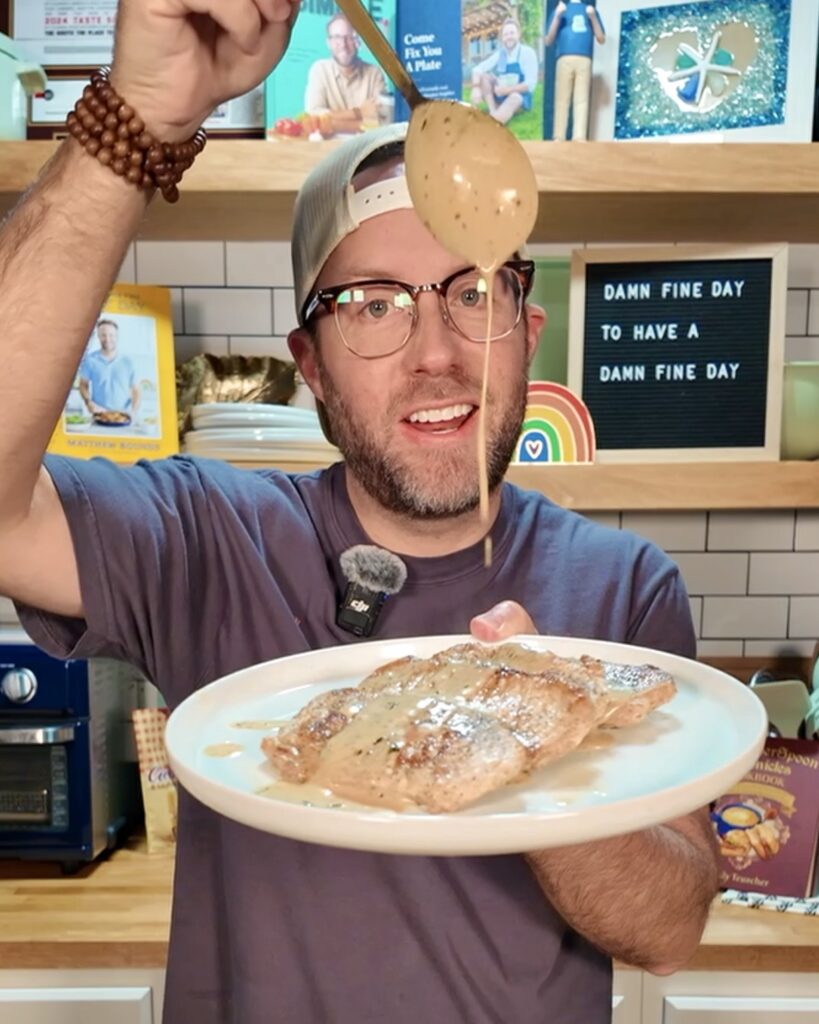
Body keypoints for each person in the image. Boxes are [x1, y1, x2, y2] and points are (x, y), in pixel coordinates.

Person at [0, 1, 719, 1021]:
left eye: (473, 292)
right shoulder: (208, 540)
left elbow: (670, 929)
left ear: (527, 332)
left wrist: (535, 717)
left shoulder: (621, 589)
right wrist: (139, 115)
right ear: (311, 366)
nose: (436, 351)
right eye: (373, 304)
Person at [304, 12, 386, 135]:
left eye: (349, 37)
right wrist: (359, 113)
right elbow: (314, 118)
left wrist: (333, 124)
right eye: (337, 37)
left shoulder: (374, 74)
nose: (343, 44)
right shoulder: (319, 70)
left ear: (358, 41)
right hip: (328, 146)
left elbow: (381, 122)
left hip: (367, 145)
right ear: (329, 43)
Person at [545, 0, 606, 140]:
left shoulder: (589, 10)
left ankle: (579, 136)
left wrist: (593, 17)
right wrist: (557, 16)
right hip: (564, 58)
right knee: (561, 99)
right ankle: (558, 136)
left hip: (584, 59)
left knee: (582, 99)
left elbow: (601, 38)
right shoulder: (561, 9)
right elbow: (548, 39)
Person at [470, 17, 539, 126]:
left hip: (519, 97)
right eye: (506, 34)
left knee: (515, 97)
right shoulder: (501, 54)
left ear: (518, 34)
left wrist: (506, 90)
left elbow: (530, 84)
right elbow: (478, 69)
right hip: (501, 95)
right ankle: (493, 111)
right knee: (483, 77)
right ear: (502, 38)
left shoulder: (527, 53)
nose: (509, 37)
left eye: (512, 33)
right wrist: (476, 88)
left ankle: (493, 122)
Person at [78, 318, 140, 417]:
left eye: (111, 335)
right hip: (99, 414)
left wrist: (133, 412)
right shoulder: (90, 360)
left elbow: (136, 390)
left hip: (123, 415)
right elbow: (83, 385)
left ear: (117, 336)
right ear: (98, 336)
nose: (107, 339)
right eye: (103, 335)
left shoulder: (128, 362)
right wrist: (88, 401)